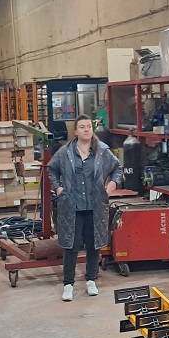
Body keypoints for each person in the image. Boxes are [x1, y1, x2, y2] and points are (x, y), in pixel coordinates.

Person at [47, 114, 123, 302]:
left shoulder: (102, 151)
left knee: (94, 244)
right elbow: (51, 169)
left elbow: (117, 168)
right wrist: (58, 188)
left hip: (95, 205)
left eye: (89, 126)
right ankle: (68, 284)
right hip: (71, 205)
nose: (86, 129)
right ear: (75, 131)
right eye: (82, 127)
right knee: (71, 246)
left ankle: (91, 280)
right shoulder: (65, 152)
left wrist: (112, 183)